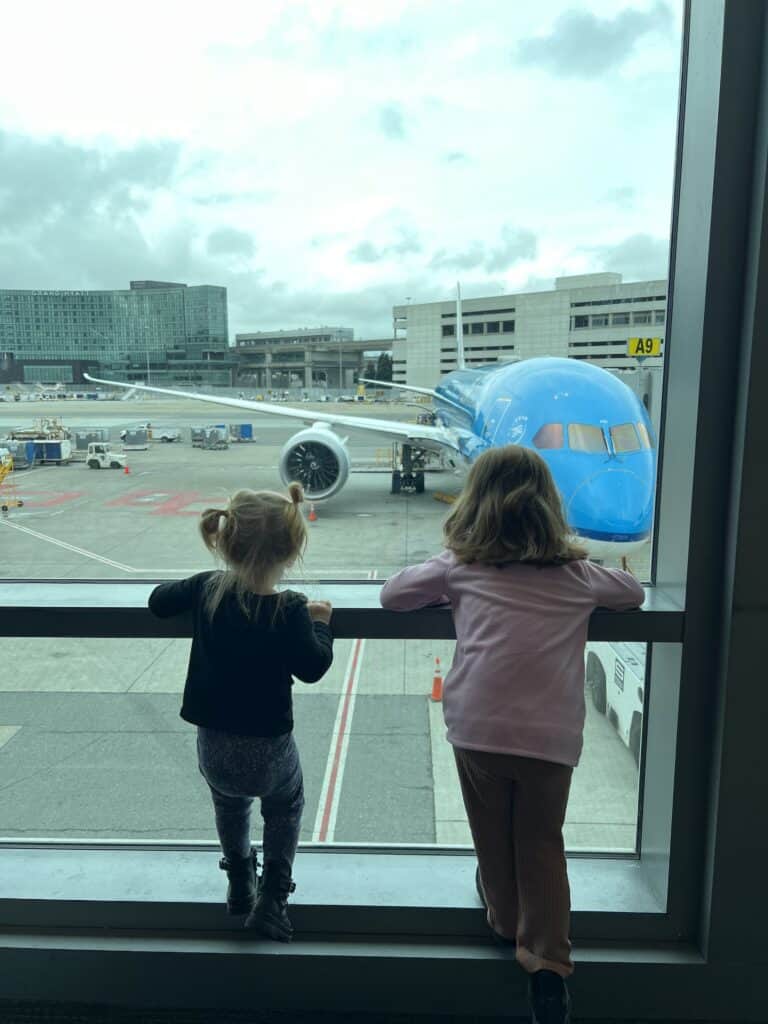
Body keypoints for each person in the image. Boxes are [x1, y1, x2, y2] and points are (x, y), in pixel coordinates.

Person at [379, 445, 644, 1024]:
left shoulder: (461, 568)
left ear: (476, 505)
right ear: (549, 507)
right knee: (543, 844)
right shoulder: (578, 576)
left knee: (491, 837)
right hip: (549, 736)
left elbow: (392, 595)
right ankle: (548, 966)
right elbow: (633, 594)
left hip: (478, 727)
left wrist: (450, 565)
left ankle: (504, 924)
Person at [148, 483, 333, 942]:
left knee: (229, 806)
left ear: (225, 541)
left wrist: (194, 585)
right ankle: (273, 898)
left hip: (214, 749)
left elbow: (158, 602)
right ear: (291, 552)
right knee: (285, 807)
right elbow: (313, 667)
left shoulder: (207, 587)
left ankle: (238, 882)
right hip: (269, 750)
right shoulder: (289, 608)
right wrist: (321, 624)